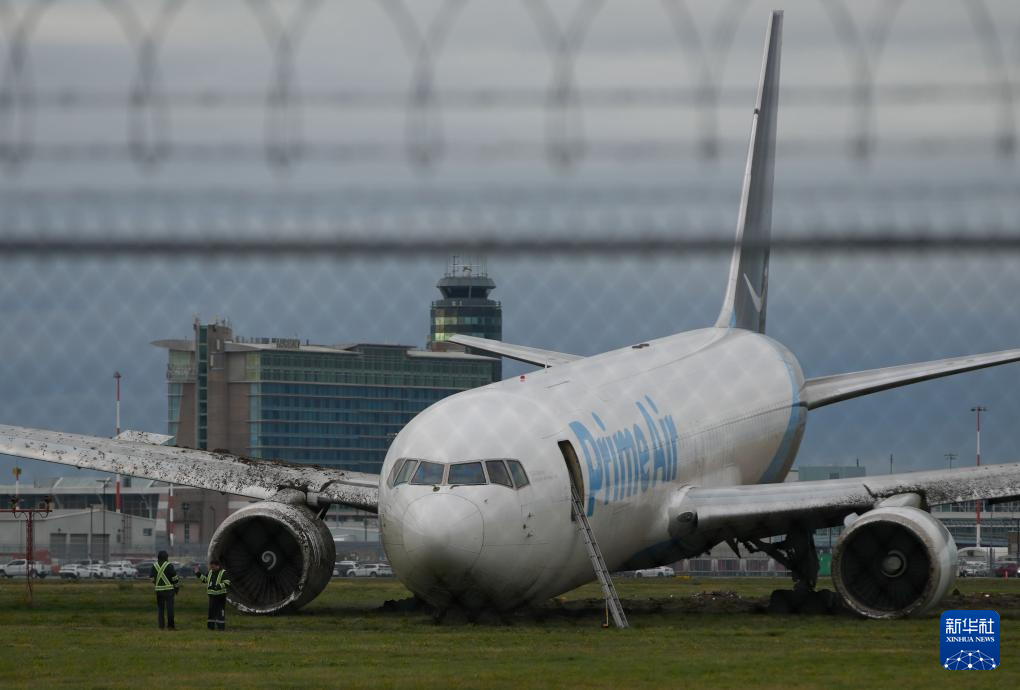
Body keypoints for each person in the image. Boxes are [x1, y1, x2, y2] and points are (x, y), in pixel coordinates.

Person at [195, 559, 231, 630]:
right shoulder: (210, 572)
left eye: (213, 567)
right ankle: (211, 627)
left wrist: (218, 586)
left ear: (218, 566)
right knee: (211, 611)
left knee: (220, 611)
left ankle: (220, 627)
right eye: (211, 567)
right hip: (212, 596)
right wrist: (198, 573)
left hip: (220, 596)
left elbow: (227, 583)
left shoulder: (223, 572)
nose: (212, 568)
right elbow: (205, 580)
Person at [150, 550, 181, 630]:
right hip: (169, 590)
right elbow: (175, 578)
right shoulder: (169, 565)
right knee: (170, 609)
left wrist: (157, 584)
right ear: (166, 557)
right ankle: (170, 626)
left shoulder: (154, 566)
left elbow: (151, 578)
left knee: (160, 609)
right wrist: (176, 587)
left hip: (158, 591)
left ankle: (161, 626)